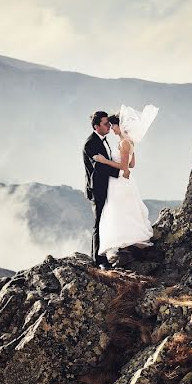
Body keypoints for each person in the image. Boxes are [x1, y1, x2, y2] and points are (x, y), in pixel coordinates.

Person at [91, 105, 158, 266]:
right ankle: (129, 244)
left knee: (118, 211)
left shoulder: (123, 143)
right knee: (127, 211)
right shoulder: (129, 142)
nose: (111, 128)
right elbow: (132, 164)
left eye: (112, 125)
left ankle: (124, 244)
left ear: (119, 126)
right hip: (125, 181)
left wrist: (104, 161)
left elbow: (124, 167)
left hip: (119, 182)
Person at [82, 111, 119, 268]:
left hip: (106, 186)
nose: (108, 125)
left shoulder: (103, 140)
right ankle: (98, 259)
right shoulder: (90, 143)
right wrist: (120, 171)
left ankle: (103, 256)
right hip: (97, 187)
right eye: (105, 123)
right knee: (98, 223)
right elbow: (100, 167)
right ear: (96, 126)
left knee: (105, 220)